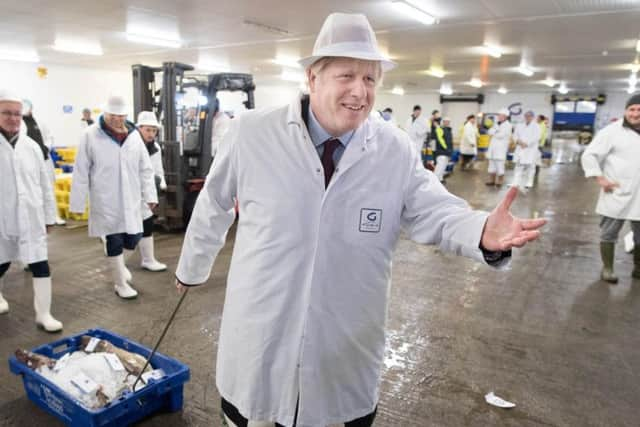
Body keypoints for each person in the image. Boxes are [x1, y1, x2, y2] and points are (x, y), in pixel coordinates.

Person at [174, 13, 545, 427]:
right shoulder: (253, 133)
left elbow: (435, 210)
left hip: (345, 344)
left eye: (370, 79)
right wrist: (192, 268)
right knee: (254, 413)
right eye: (346, 75)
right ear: (313, 78)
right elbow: (214, 203)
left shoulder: (393, 148)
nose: (359, 91)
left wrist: (480, 230)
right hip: (262, 331)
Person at [70, 95, 157, 299]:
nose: (117, 120)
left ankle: (117, 265)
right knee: (114, 240)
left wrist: (150, 195)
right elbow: (81, 170)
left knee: (134, 237)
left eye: (121, 116)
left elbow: (145, 168)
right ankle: (120, 283)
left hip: (132, 197)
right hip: (105, 198)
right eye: (113, 116)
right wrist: (78, 203)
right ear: (104, 113)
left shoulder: (134, 134)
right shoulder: (90, 135)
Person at [0, 90, 63, 332]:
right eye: (7, 113)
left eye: (17, 114)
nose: (13, 118)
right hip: (2, 219)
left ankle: (44, 315)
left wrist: (49, 216)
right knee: (2, 264)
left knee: (40, 264)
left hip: (31, 216)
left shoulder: (31, 147)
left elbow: (45, 184)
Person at [581, 93, 640, 283]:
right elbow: (589, 155)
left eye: (639, 109)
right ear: (625, 110)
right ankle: (607, 268)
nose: (635, 113)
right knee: (609, 233)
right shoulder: (612, 131)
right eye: (632, 109)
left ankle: (638, 268)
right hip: (617, 192)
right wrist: (600, 178)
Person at [21, 100, 66, 226]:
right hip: (29, 163)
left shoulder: (39, 122)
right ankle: (36, 218)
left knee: (49, 188)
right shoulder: (20, 125)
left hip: (45, 160)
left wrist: (46, 147)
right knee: (32, 189)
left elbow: (49, 137)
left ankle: (54, 216)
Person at [135, 111, 167, 272]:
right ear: (139, 128)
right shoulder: (130, 144)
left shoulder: (155, 147)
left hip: (144, 192)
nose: (151, 134)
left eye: (154, 130)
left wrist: (162, 183)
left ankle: (148, 259)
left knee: (147, 223)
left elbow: (157, 169)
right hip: (129, 191)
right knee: (124, 228)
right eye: (148, 130)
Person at [510, 110, 541, 189]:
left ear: (533, 117)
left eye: (529, 116)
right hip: (520, 148)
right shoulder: (519, 125)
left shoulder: (536, 126)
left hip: (531, 149)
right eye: (526, 116)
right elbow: (514, 135)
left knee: (531, 167)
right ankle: (515, 182)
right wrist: (518, 141)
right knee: (518, 166)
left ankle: (529, 182)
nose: (527, 117)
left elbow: (537, 137)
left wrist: (527, 144)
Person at [485, 109, 513, 187]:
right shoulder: (496, 124)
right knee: (491, 166)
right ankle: (492, 180)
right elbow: (489, 132)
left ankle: (500, 181)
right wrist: (495, 131)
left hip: (500, 149)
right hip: (493, 148)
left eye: (501, 115)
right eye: (499, 115)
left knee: (500, 166)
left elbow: (501, 135)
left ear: (505, 117)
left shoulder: (508, 125)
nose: (499, 117)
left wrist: (494, 132)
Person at [433, 116, 453, 183]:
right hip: (441, 151)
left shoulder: (449, 130)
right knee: (440, 166)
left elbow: (450, 142)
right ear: (443, 122)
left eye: (448, 122)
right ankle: (434, 181)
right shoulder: (440, 129)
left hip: (447, 151)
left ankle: (440, 179)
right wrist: (446, 148)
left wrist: (450, 150)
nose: (447, 123)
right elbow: (440, 140)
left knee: (444, 165)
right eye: (445, 121)